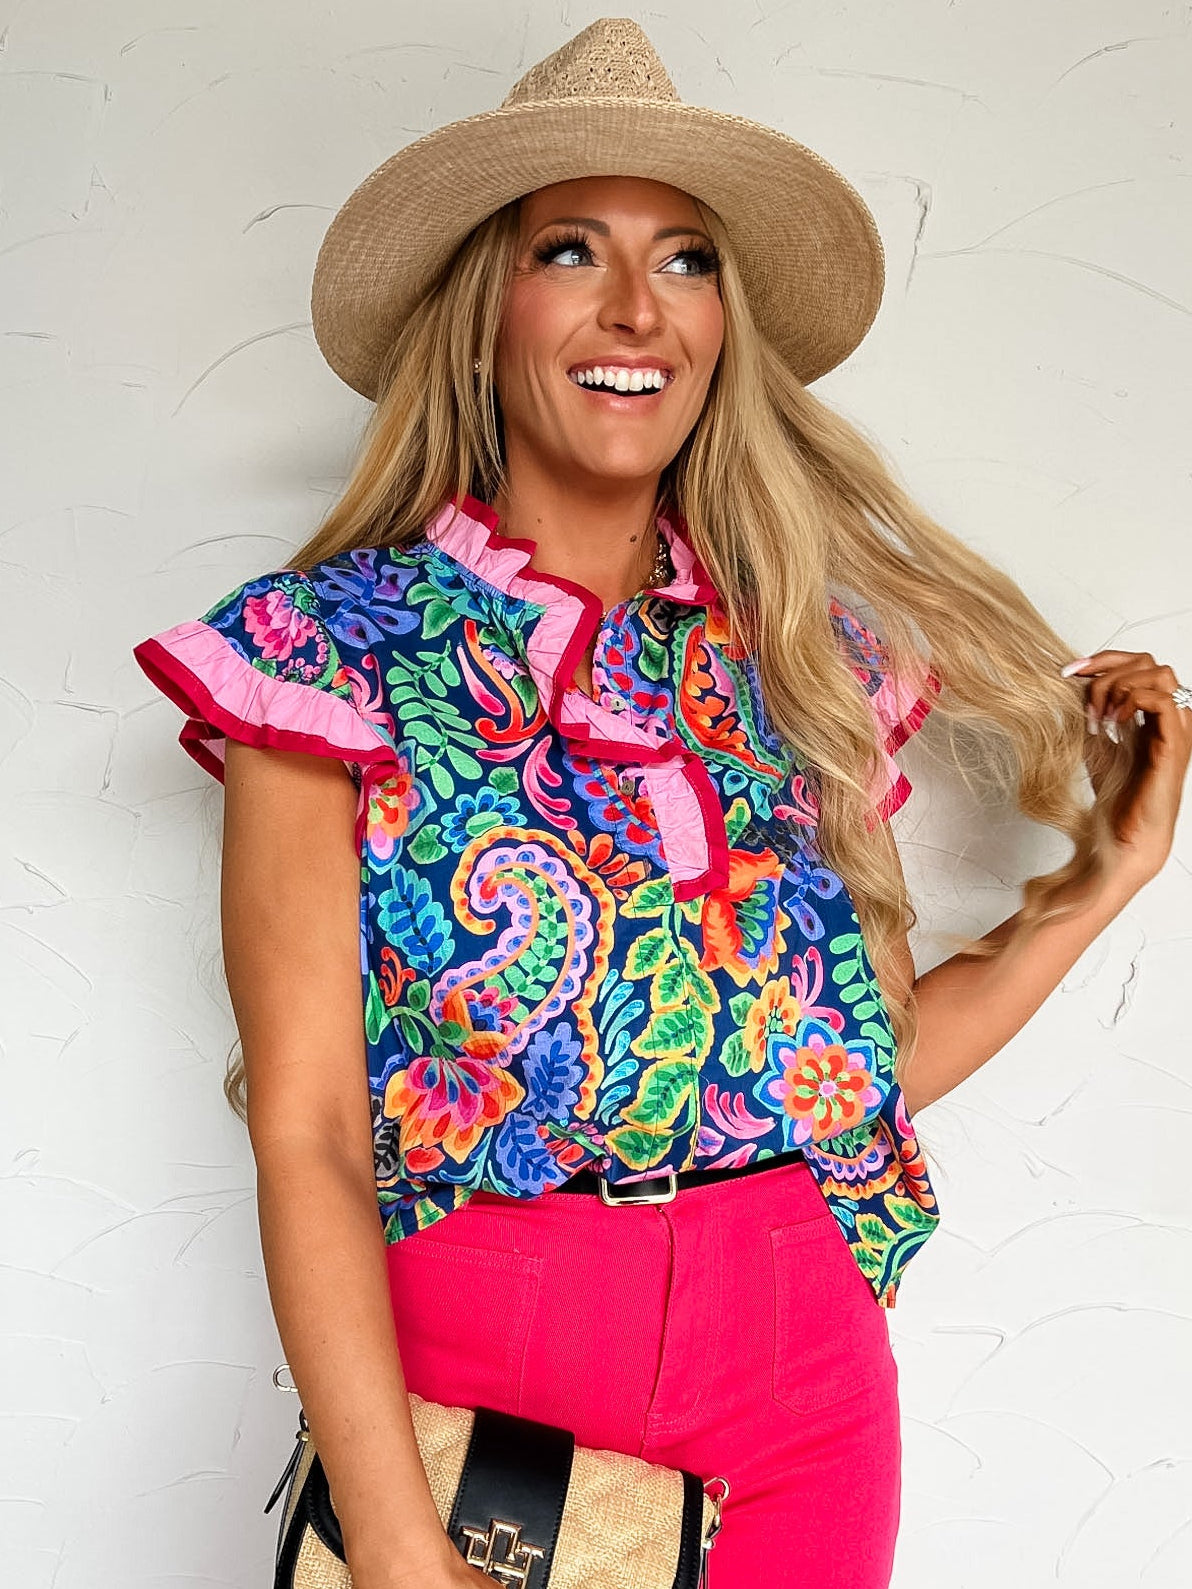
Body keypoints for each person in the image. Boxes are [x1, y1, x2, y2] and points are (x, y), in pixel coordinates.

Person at [131, 18, 1192, 1589]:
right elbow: (311, 1132)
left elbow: (849, 1075)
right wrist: (398, 1545)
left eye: (686, 260)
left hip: (807, 1393)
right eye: (572, 249)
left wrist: (1102, 877)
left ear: (722, 327)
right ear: (483, 311)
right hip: (482, 1390)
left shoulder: (804, 664)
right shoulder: (329, 657)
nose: (638, 307)